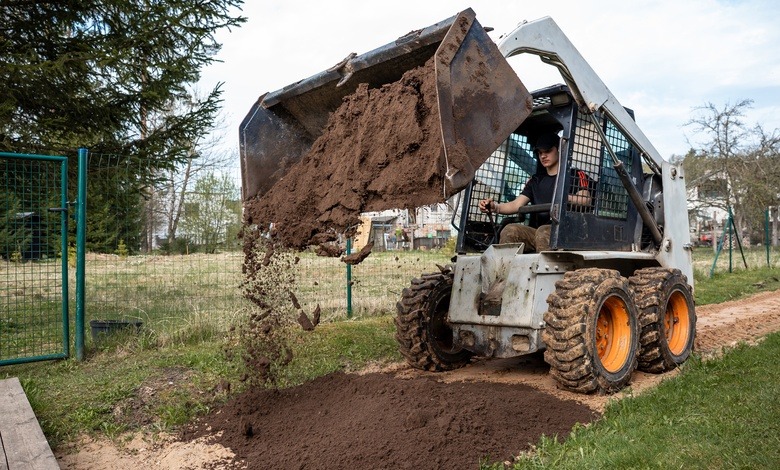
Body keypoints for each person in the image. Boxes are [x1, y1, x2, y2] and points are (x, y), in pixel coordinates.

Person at [478, 132, 592, 252]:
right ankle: (505, 269)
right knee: (510, 230)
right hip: (538, 232)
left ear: (559, 149)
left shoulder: (574, 175)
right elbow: (516, 205)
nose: (543, 156)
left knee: (544, 232)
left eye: (547, 151)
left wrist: (565, 197)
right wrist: (495, 207)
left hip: (566, 233)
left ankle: (543, 270)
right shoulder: (535, 181)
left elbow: (586, 200)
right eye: (540, 153)